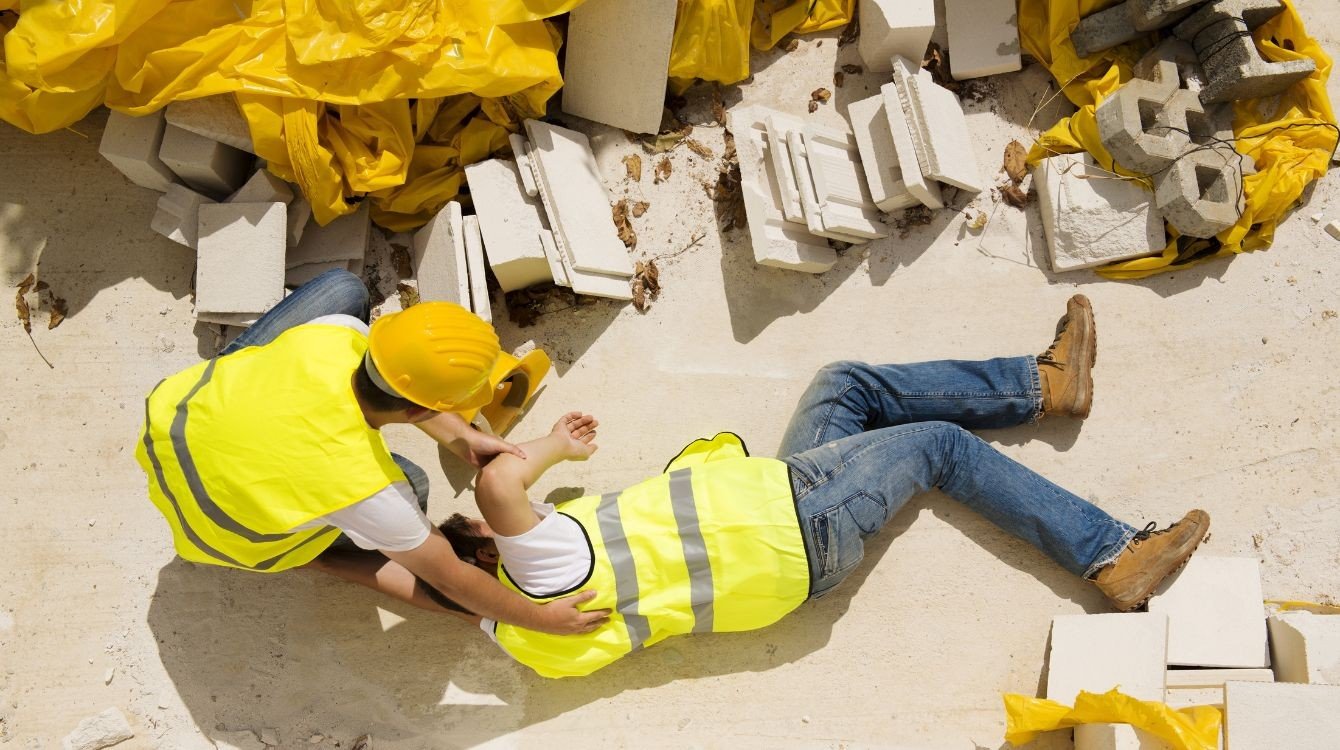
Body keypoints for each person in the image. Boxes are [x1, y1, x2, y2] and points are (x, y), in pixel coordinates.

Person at [424, 295, 1211, 677]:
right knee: (939, 446)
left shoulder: (521, 639)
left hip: (786, 539)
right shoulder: (549, 568)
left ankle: (1046, 385)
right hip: (794, 521)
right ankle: (1112, 555)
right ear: (493, 551)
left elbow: (419, 581)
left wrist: (362, 556)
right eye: (492, 527)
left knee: (844, 387)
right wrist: (551, 447)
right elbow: (498, 480)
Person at [134, 269, 609, 636]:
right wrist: (541, 619)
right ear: (422, 410)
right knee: (416, 487)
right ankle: (306, 552)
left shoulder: (335, 334)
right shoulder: (371, 491)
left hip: (173, 425)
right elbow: (450, 581)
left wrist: (461, 436)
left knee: (343, 288)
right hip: (223, 534)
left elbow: (400, 387)